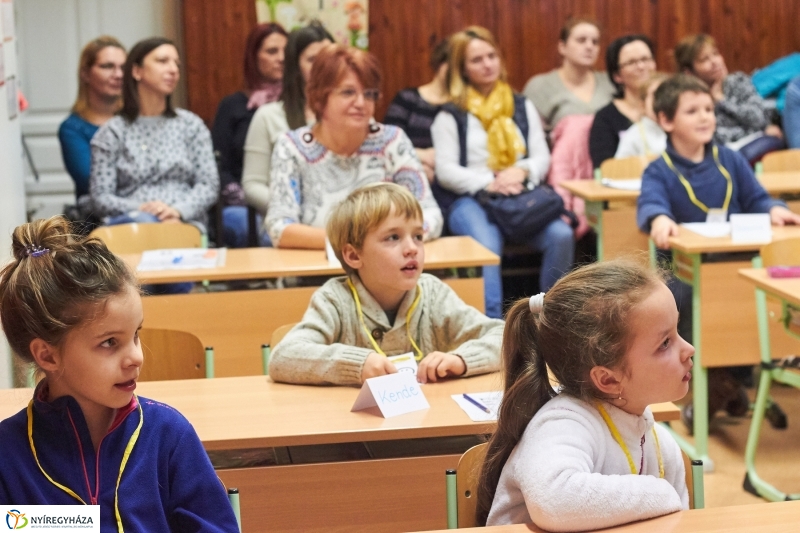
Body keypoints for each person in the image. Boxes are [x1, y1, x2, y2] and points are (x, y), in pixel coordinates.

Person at [0, 217, 238, 531]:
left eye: (135, 335)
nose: (136, 358)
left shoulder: (168, 435)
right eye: (110, 343)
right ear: (47, 355)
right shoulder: (8, 454)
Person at [477, 260, 693, 530]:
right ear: (608, 379)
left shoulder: (661, 445)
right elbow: (553, 501)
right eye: (665, 343)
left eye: (677, 332)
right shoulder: (563, 422)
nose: (689, 349)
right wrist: (660, 493)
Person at [637, 74, 800, 427]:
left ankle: (725, 383)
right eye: (692, 110)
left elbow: (757, 197)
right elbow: (651, 204)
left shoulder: (730, 159)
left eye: (708, 109)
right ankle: (718, 383)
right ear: (666, 121)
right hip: (683, 272)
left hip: (736, 262)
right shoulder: (659, 170)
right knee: (696, 296)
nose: (704, 117)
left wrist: (773, 208)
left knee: (752, 290)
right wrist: (660, 219)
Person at [268, 183, 503, 385]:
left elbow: (506, 338)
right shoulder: (335, 299)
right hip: (358, 431)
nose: (412, 248)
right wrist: (357, 364)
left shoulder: (432, 293)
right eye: (393, 237)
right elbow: (283, 357)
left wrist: (462, 360)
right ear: (353, 256)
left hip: (425, 426)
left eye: (418, 236)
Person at [430, 26, 573, 319]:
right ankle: (491, 327)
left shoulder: (520, 104)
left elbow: (540, 156)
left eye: (491, 56)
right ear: (463, 69)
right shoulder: (450, 113)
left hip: (518, 194)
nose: (487, 64)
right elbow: (445, 171)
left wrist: (521, 171)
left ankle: (551, 321)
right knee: (487, 245)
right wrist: (490, 182)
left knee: (561, 235)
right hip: (470, 198)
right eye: (476, 59)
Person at [266, 44, 443, 249]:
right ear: (320, 97)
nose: (361, 102)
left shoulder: (392, 141)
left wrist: (386, 244)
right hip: (312, 269)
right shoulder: (291, 147)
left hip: (384, 272)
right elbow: (279, 227)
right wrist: (356, 246)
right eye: (348, 92)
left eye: (369, 94)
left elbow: (430, 215)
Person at [89, 37, 218, 230]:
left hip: (183, 222)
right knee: (148, 224)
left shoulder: (191, 125)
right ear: (137, 71)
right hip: (132, 225)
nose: (173, 70)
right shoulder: (112, 132)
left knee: (172, 230)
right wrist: (142, 209)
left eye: (177, 64)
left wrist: (177, 211)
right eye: (162, 61)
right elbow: (100, 197)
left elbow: (209, 185)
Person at [242, 21, 334, 232]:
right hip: (288, 224)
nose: (323, 67)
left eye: (329, 59)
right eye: (312, 60)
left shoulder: (354, 112)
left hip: (345, 223)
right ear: (295, 66)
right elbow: (252, 186)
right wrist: (291, 209)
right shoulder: (268, 116)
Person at [211, 22, 288, 247]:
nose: (281, 58)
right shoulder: (233, 106)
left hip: (292, 202)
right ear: (254, 57)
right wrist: (252, 198)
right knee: (244, 226)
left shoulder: (303, 106)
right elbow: (219, 167)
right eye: (272, 51)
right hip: (244, 203)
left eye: (286, 51)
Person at [674, 34, 783, 162]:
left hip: (753, 145)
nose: (715, 62)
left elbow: (758, 118)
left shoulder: (737, 81)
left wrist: (721, 100)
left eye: (715, 54)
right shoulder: (688, 98)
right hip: (718, 153)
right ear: (689, 72)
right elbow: (708, 137)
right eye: (705, 60)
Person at [58, 36, 126, 216]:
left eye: (123, 67)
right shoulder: (72, 128)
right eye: (107, 66)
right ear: (86, 73)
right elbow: (89, 180)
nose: (118, 74)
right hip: (97, 223)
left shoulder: (136, 120)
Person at [523, 18, 614, 132]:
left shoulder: (610, 82)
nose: (589, 47)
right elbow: (531, 136)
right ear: (562, 47)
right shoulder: (540, 86)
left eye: (595, 42)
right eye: (581, 40)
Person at [384, 39, 450, 184]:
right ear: (440, 62)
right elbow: (387, 141)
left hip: (449, 179)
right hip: (406, 168)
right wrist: (420, 156)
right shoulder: (407, 98)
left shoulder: (462, 106)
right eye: (451, 63)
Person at [589, 35, 656, 168]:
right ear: (617, 76)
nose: (641, 66)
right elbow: (604, 167)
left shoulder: (674, 108)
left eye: (645, 59)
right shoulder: (605, 118)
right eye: (632, 62)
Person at [615, 73, 668, 159]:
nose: (662, 100)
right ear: (642, 105)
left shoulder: (683, 131)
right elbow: (619, 169)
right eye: (656, 95)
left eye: (667, 94)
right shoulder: (632, 137)